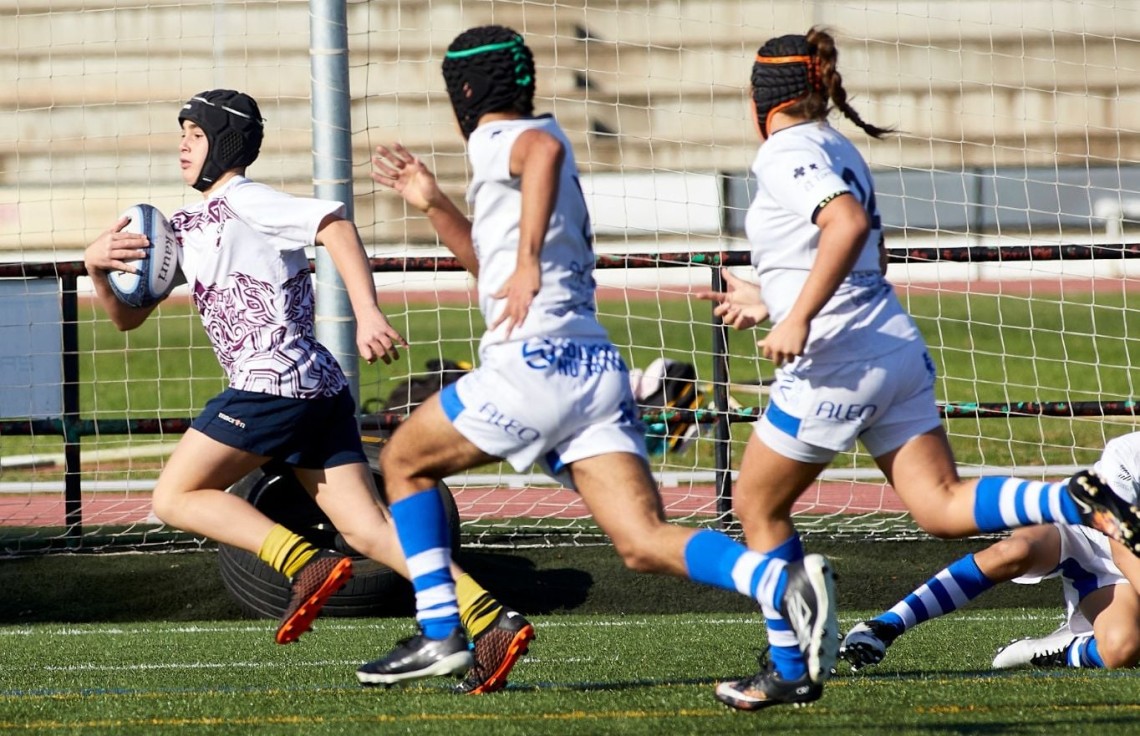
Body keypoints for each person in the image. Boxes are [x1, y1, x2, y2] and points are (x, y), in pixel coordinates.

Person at [355, 25, 839, 697]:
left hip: (535, 363)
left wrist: (526, 264)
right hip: (592, 368)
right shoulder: (521, 157)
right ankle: (775, 578)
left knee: (404, 458)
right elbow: (491, 269)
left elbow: (543, 152)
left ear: (465, 90)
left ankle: (441, 630)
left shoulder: (507, 140)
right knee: (642, 540)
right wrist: (435, 203)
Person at [693, 27, 1140, 712]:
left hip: (837, 358)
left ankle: (792, 663)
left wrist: (798, 318)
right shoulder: (837, 145)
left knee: (757, 505)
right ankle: (1074, 500)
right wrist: (772, 298)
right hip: (893, 345)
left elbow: (841, 227)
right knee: (938, 504)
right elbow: (855, 247)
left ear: (763, 99)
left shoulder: (785, 149)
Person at [82, 89, 533, 695]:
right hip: (315, 387)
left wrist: (367, 312)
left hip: (274, 381)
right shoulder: (187, 225)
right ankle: (491, 617)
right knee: (369, 530)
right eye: (180, 134)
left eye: (195, 134)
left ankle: (303, 562)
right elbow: (127, 320)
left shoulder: (248, 199)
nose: (182, 145)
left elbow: (335, 225)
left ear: (225, 143)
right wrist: (95, 268)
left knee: (174, 497)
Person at [842, 432, 1140, 672]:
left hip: (1119, 576)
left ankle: (1054, 650)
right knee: (1014, 551)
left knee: (1122, 649)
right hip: (1080, 531)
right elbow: (1123, 549)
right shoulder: (1126, 452)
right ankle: (885, 625)